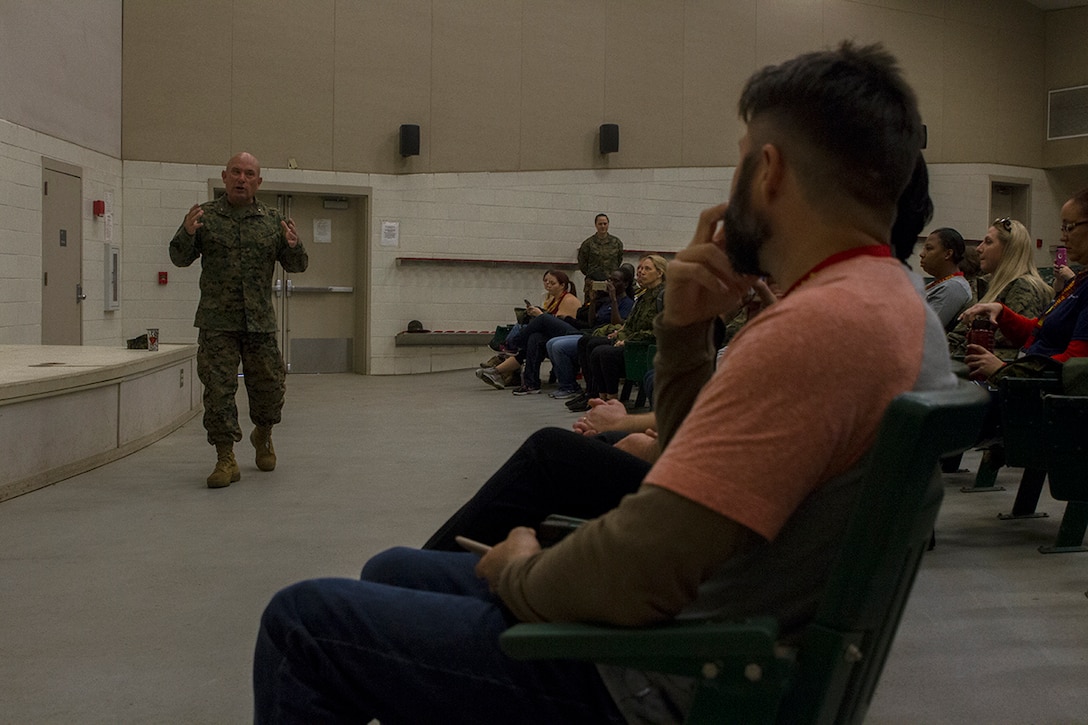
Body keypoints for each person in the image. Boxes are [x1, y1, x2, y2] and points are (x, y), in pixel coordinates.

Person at [253, 42, 954, 724]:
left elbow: (644, 568)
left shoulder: (816, 327)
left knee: (306, 624)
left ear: (768, 171)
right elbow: (689, 466)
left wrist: (521, 571)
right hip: (730, 640)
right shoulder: (896, 308)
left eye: (738, 162)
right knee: (393, 568)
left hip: (663, 674)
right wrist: (683, 333)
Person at [169, 152, 307, 488]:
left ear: (258, 182)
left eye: (248, 174)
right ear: (224, 176)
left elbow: (298, 264)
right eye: (235, 172)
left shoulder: (273, 221)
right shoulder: (205, 217)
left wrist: (294, 245)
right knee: (218, 393)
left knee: (270, 389)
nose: (241, 179)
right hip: (218, 323)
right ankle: (225, 457)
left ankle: (264, 434)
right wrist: (186, 234)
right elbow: (178, 257)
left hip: (259, 323)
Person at [962, 188, 1088, 381]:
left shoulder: (1027, 285)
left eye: (1069, 227)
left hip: (1036, 391)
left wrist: (1004, 370)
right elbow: (1041, 330)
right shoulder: (1080, 280)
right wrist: (1002, 312)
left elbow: (1075, 365)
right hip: (1025, 378)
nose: (1063, 237)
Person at [564, 254, 667, 412]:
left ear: (660, 273)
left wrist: (627, 340)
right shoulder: (643, 295)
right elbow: (630, 324)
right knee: (589, 342)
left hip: (645, 347)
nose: (641, 272)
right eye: (639, 268)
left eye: (647, 269)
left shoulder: (664, 296)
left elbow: (660, 329)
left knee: (603, 352)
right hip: (632, 341)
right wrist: (620, 333)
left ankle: (612, 401)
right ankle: (596, 395)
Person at [946, 218, 1052, 358]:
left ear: (1009, 249)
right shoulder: (985, 284)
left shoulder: (1024, 287)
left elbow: (1012, 346)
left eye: (988, 242)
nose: (979, 248)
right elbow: (960, 334)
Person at [475, 269, 580, 392]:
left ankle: (514, 344)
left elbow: (560, 323)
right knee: (534, 338)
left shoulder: (569, 299)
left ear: (562, 285)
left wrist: (540, 315)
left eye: (552, 283)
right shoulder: (550, 299)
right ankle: (528, 383)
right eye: (545, 281)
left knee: (543, 319)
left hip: (570, 334)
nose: (548, 285)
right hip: (555, 336)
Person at [545, 267, 637, 399]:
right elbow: (592, 322)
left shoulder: (627, 303)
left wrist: (614, 300)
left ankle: (574, 387)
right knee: (550, 342)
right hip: (593, 332)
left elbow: (616, 324)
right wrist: (593, 300)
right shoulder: (606, 301)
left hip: (607, 335)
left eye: (615, 281)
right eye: (609, 279)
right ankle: (585, 389)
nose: (611, 283)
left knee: (558, 345)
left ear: (626, 284)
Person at [918, 227, 972, 329]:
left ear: (948, 254)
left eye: (929, 248)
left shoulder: (953, 287)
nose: (922, 254)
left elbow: (925, 330)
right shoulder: (939, 284)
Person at [577, 213, 624, 302]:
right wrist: (592, 274)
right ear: (596, 225)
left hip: (611, 282)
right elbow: (582, 263)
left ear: (608, 224)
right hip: (593, 283)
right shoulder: (588, 244)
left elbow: (619, 259)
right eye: (600, 224)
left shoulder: (616, 242)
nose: (603, 226)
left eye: (605, 224)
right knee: (590, 309)